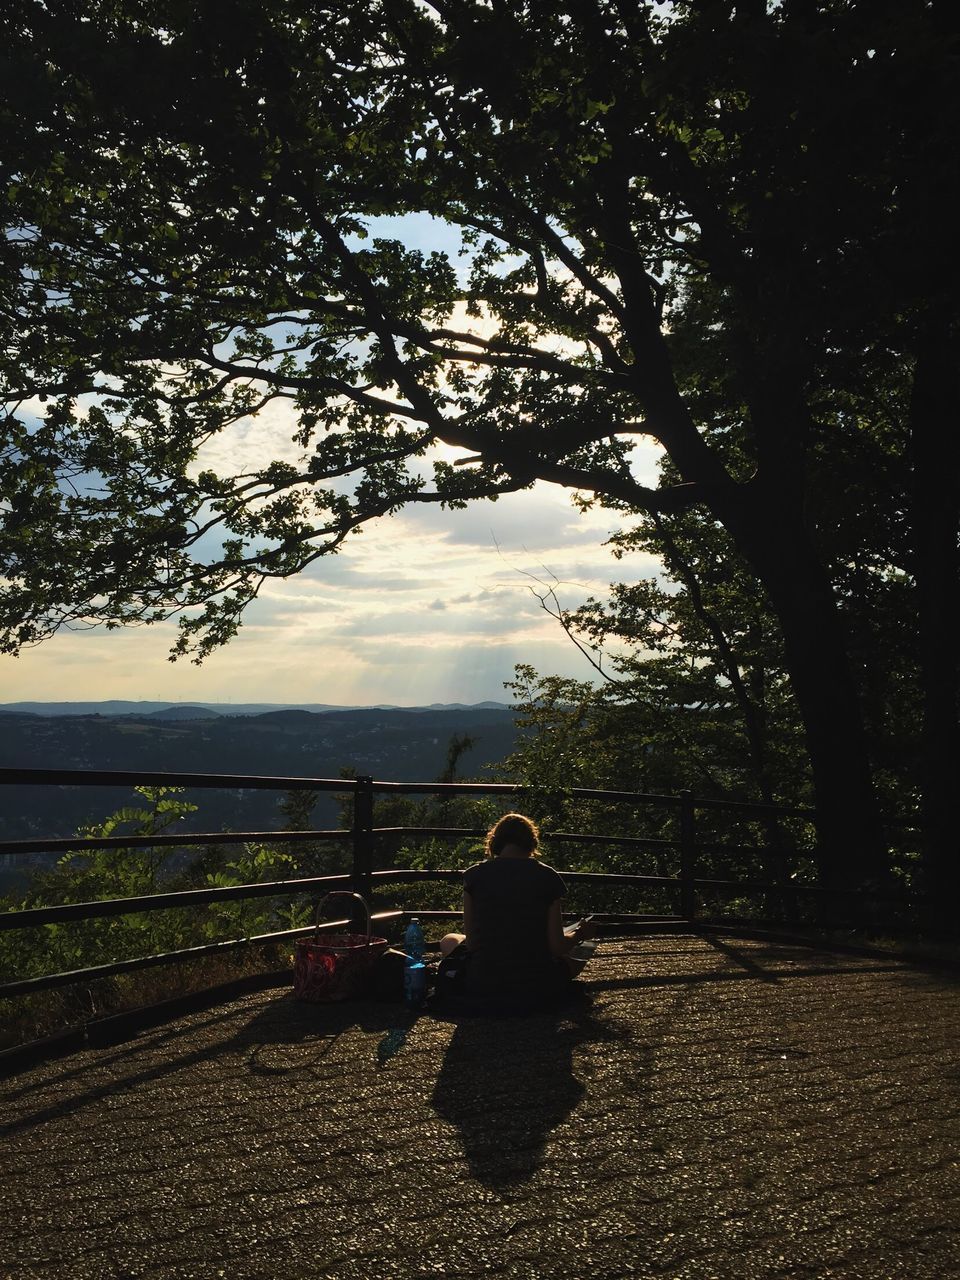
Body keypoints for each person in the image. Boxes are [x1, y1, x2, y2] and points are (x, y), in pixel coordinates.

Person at [437, 813, 596, 1008]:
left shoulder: (473, 876)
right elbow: (556, 947)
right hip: (537, 981)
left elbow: (472, 944)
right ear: (531, 841)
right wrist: (580, 933)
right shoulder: (547, 876)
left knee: (449, 940)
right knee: (581, 950)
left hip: (483, 980)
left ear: (495, 842)